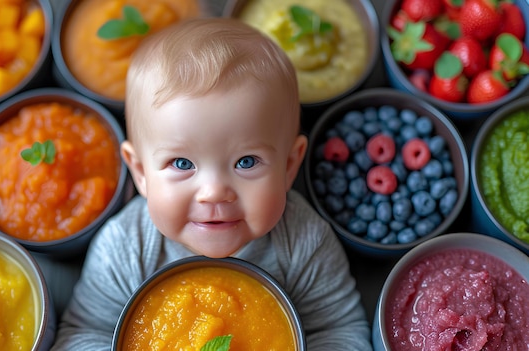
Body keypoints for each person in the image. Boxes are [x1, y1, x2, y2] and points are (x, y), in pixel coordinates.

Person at [51, 17, 371, 350]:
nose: (214, 191)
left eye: (245, 162)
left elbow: (341, 330)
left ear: (289, 166)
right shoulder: (125, 248)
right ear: (141, 172)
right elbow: (82, 334)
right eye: (182, 164)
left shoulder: (304, 243)